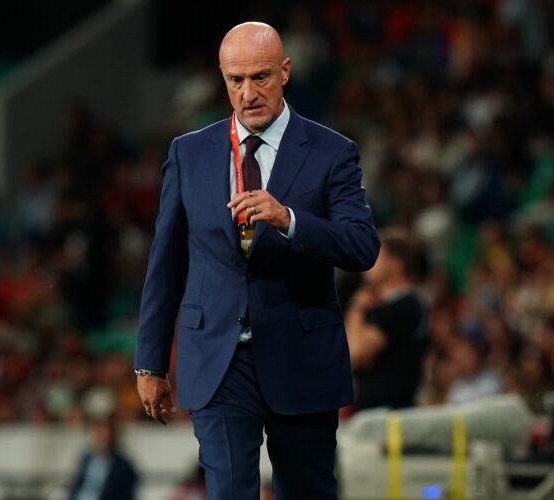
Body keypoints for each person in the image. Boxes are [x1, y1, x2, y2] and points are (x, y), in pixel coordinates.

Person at [134, 21, 380, 500]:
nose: (248, 93)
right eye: (236, 80)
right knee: (228, 491)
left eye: (261, 77)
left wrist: (290, 219)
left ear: (285, 71)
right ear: (223, 79)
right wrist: (150, 364)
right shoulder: (188, 153)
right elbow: (166, 264)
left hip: (301, 358)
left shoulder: (332, 152)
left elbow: (361, 246)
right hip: (218, 360)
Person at [345, 228, 429, 411]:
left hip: (394, 413)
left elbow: (355, 352)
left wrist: (356, 308)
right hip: (371, 410)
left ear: (395, 265)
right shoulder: (376, 307)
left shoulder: (407, 305)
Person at [69, 416, 138, 500]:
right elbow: (76, 488)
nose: (102, 439)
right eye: (99, 436)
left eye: (105, 437)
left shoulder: (123, 467)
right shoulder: (86, 459)